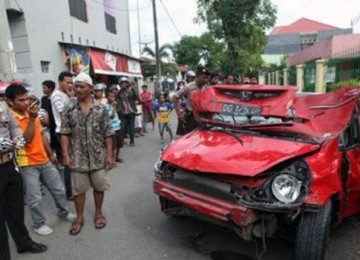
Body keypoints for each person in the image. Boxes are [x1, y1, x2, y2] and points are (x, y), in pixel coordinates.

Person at [6, 84, 76, 235]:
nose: (26, 103)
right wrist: (32, 118)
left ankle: (64, 212)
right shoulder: (10, 119)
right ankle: (38, 224)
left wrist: (51, 155)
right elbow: (28, 140)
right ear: (10, 101)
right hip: (27, 163)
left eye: (27, 99)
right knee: (35, 197)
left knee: (58, 189)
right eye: (21, 100)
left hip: (44, 159)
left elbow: (42, 135)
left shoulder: (32, 113)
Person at [61, 72, 114, 235]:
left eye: (81, 86)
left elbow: (108, 133)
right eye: (75, 86)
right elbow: (65, 132)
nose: (77, 89)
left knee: (99, 187)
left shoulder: (101, 108)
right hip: (77, 156)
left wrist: (110, 155)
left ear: (90, 88)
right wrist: (65, 155)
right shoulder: (69, 108)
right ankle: (79, 217)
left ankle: (98, 213)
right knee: (79, 190)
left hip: (98, 155)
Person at [0, 99, 47, 259]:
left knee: (16, 208)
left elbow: (13, 127)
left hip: (8, 163)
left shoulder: (2, 105)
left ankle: (23, 243)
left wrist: (17, 139)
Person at [51, 71, 73, 200]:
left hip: (69, 131)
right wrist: (71, 99)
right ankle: (69, 192)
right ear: (60, 82)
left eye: (71, 82)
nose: (70, 85)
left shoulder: (65, 94)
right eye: (67, 82)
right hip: (62, 132)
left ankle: (72, 189)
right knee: (68, 162)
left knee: (71, 160)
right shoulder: (57, 95)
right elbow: (64, 112)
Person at [172, 65, 210, 133]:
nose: (206, 80)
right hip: (192, 117)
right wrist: (179, 114)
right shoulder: (189, 87)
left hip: (203, 116)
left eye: (207, 78)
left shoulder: (206, 88)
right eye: (204, 78)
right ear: (198, 76)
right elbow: (174, 97)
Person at [115, 77, 136, 147]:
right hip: (123, 112)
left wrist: (132, 88)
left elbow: (136, 97)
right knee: (122, 127)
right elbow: (116, 96)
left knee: (131, 127)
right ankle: (122, 141)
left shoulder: (130, 91)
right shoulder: (119, 92)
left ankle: (132, 141)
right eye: (122, 83)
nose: (123, 84)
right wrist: (121, 89)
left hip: (131, 111)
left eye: (125, 83)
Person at [104, 89, 123, 163]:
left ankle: (117, 157)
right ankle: (112, 159)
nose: (113, 98)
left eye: (113, 96)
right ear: (107, 97)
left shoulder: (114, 104)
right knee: (113, 145)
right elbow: (111, 116)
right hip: (112, 128)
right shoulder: (106, 106)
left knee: (119, 144)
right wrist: (114, 107)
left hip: (118, 126)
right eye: (111, 96)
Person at [41, 80, 56, 146]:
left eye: (44, 88)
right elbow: (42, 110)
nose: (43, 89)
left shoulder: (55, 98)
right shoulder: (43, 99)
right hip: (47, 125)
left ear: (50, 88)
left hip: (55, 124)